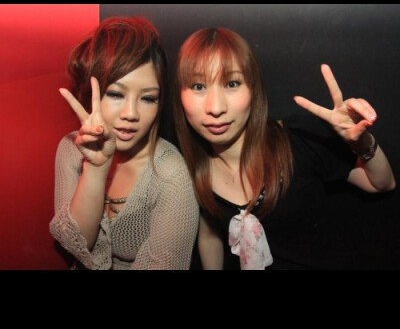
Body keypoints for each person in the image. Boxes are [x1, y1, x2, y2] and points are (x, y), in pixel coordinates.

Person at [172, 27, 396, 270]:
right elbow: (209, 234)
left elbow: (381, 184)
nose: (215, 107)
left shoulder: (298, 140)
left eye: (232, 83)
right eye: (198, 86)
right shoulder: (189, 167)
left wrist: (361, 142)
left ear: (253, 89)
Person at [50, 17, 199, 270]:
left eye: (148, 98)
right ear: (90, 93)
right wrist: (95, 169)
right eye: (116, 94)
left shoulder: (170, 174)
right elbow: (77, 245)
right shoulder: (71, 148)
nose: (131, 113)